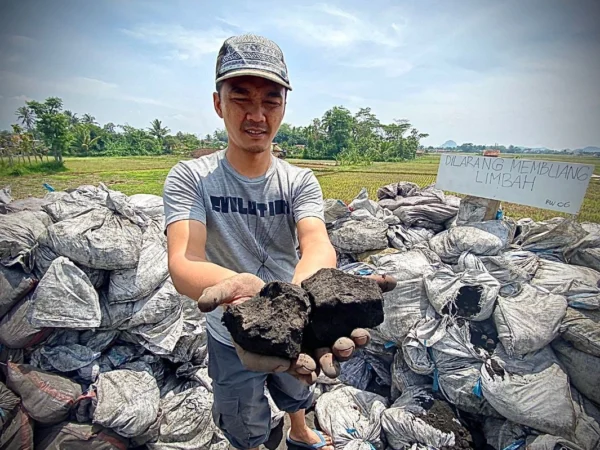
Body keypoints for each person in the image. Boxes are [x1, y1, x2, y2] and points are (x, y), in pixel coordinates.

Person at [163, 34, 369, 450]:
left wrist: (301, 299)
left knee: (299, 382)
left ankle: (297, 428)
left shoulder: (298, 180)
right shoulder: (191, 178)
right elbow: (183, 262)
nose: (256, 115)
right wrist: (243, 290)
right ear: (218, 103)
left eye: (270, 101)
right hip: (228, 330)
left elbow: (316, 244)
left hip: (296, 323)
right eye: (241, 98)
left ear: (284, 107)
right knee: (242, 415)